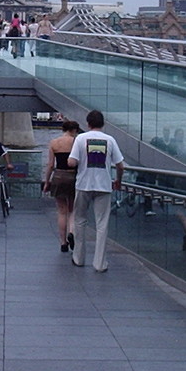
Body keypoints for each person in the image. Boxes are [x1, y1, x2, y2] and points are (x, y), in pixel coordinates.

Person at [68, 110, 125, 273]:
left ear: (88, 124)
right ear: (103, 124)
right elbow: (121, 165)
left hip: (83, 184)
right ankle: (100, 263)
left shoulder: (80, 138)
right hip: (104, 185)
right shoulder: (110, 140)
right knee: (102, 224)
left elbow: (72, 162)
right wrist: (118, 180)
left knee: (80, 220)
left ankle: (78, 258)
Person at [43, 120, 79, 253]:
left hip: (59, 176)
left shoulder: (54, 143)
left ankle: (63, 243)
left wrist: (47, 182)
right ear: (74, 130)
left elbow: (50, 165)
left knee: (61, 211)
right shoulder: (76, 142)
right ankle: (72, 232)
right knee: (72, 210)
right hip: (74, 176)